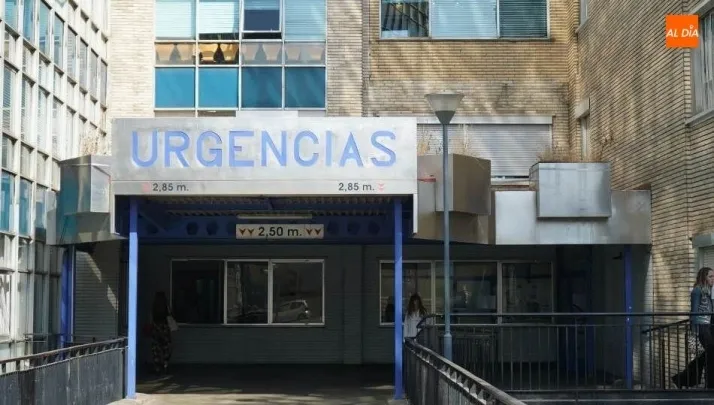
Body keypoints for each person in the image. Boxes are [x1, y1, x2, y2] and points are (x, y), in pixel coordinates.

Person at [672, 267, 714, 388]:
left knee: (707, 355)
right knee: (710, 354)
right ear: (703, 277)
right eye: (710, 276)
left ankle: (682, 379)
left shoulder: (708, 291)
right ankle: (708, 384)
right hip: (702, 327)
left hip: (709, 326)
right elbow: (694, 312)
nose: (713, 279)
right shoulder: (697, 291)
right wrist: (694, 331)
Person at [151, 291, 173, 374]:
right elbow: (170, 315)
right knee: (166, 347)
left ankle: (157, 367)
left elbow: (150, 319)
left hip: (156, 328)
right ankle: (165, 364)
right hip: (165, 328)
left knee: (155, 348)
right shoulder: (166, 307)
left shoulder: (154, 307)